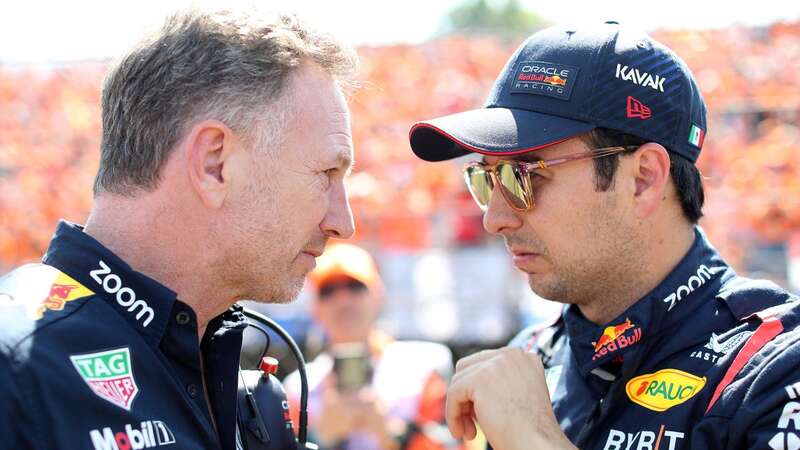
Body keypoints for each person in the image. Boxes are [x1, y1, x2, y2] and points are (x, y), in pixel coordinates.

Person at [408, 21, 800, 450]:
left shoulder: (774, 366)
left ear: (644, 179)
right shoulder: (529, 357)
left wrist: (533, 439)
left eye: (521, 176)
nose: (494, 219)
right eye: (485, 179)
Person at [0, 8, 357, 449]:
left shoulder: (251, 399)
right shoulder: (14, 368)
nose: (344, 223)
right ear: (215, 163)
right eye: (326, 173)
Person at [284, 243, 460, 450]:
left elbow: (456, 443)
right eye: (328, 291)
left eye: (354, 287)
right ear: (314, 308)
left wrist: (392, 434)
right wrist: (319, 438)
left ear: (378, 295)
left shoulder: (427, 365)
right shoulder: (298, 387)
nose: (343, 300)